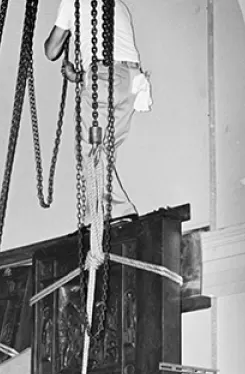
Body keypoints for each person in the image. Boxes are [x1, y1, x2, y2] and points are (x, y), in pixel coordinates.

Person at [44, 0, 152, 218]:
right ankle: (103, 215)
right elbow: (113, 67)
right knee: (102, 150)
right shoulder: (118, 4)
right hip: (131, 80)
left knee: (90, 148)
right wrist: (78, 76)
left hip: (103, 76)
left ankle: (115, 213)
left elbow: (51, 50)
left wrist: (64, 32)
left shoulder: (72, 2)